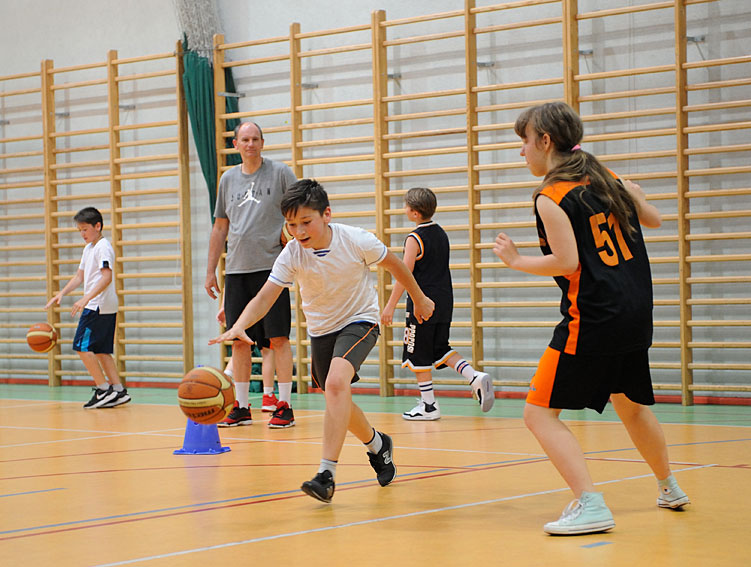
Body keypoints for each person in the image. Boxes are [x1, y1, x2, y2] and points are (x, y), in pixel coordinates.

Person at [492, 101, 689, 535]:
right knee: (630, 405)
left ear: (545, 141)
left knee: (538, 414)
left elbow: (566, 263)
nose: (521, 151)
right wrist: (638, 196)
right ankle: (669, 487)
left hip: (594, 317)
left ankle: (591, 505)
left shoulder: (551, 196)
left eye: (524, 141)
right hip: (635, 311)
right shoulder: (605, 176)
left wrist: (517, 260)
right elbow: (654, 219)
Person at [210, 179, 435, 503]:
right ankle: (377, 444)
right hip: (321, 331)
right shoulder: (291, 253)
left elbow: (395, 265)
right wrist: (239, 326)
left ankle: (326, 475)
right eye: (291, 225)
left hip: (360, 320)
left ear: (326, 214)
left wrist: (420, 298)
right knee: (336, 396)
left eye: (306, 222)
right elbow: (265, 296)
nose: (298, 231)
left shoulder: (355, 240)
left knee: (335, 384)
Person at [204, 121, 297, 428]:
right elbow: (220, 227)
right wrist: (211, 271)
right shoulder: (228, 179)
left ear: (262, 142)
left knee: (279, 338)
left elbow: (301, 209)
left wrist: (291, 234)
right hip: (236, 269)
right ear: (236, 144)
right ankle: (242, 406)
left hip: (273, 269)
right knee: (239, 339)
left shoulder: (280, 173)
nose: (251, 144)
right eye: (245, 139)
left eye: (256, 139)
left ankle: (284, 404)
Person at [381, 187, 494, 420]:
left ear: (414, 212)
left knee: (417, 354)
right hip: (444, 301)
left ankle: (429, 406)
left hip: (422, 303)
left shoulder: (414, 239)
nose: (404, 209)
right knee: (440, 348)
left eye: (406, 206)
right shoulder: (441, 234)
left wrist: (390, 305)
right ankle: (473, 376)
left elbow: (404, 274)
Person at [45, 207, 130, 409]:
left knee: (81, 347)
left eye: (85, 229)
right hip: (102, 305)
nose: (82, 234)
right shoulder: (89, 248)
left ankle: (103, 389)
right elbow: (79, 276)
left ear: (97, 226)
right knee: (101, 350)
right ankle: (118, 390)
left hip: (97, 305)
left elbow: (107, 278)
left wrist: (85, 299)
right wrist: (62, 293)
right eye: (79, 230)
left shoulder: (103, 247)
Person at [216, 302, 279, 412]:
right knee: (267, 350)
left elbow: (227, 289)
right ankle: (268, 396)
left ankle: (226, 380)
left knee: (241, 346)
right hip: (263, 304)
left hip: (242, 303)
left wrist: (223, 305)